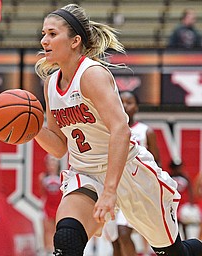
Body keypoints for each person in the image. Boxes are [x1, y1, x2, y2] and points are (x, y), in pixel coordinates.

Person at [34, 4, 202, 256]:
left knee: (171, 252)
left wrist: (111, 191)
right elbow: (59, 147)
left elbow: (121, 131)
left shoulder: (92, 74)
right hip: (86, 173)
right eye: (43, 33)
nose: (43, 40)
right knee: (67, 240)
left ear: (74, 41)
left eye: (52, 34)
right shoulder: (50, 84)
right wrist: (32, 129)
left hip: (127, 172)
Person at [108, 90, 161, 256]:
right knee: (115, 240)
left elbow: (156, 163)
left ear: (136, 107)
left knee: (123, 233)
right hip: (112, 188)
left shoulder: (146, 131)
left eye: (129, 102)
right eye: (121, 101)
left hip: (135, 189)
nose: (124, 105)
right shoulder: (108, 130)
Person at [39, 154, 62, 256]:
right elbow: (42, 192)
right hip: (48, 205)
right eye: (50, 162)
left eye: (54, 162)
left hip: (58, 206)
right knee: (48, 229)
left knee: (58, 229)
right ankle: (48, 250)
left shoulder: (62, 177)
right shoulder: (43, 177)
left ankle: (57, 250)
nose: (52, 164)